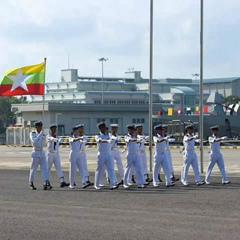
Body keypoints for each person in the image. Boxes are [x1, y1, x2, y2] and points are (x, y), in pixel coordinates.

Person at [94, 122, 118, 190]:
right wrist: (107, 141)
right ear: (100, 128)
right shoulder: (98, 135)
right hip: (101, 154)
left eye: (104, 127)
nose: (104, 128)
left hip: (108, 153)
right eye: (102, 127)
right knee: (99, 169)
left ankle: (112, 184)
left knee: (111, 169)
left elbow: (113, 137)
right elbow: (100, 140)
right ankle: (97, 184)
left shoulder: (109, 134)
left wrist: (113, 138)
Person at [29, 121, 52, 190]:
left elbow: (44, 143)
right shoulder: (32, 133)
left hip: (42, 152)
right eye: (39, 126)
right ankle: (31, 183)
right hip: (35, 152)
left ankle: (45, 183)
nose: (40, 128)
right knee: (33, 169)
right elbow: (35, 142)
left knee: (44, 168)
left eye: (41, 126)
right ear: (36, 127)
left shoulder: (43, 134)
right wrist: (40, 135)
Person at [123, 125, 146, 189]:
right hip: (130, 154)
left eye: (133, 130)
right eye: (131, 130)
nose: (133, 131)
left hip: (136, 154)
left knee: (139, 168)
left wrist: (140, 139)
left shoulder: (136, 136)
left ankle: (141, 183)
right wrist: (137, 139)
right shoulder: (126, 136)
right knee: (127, 169)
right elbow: (130, 140)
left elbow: (139, 141)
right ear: (129, 130)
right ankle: (125, 183)